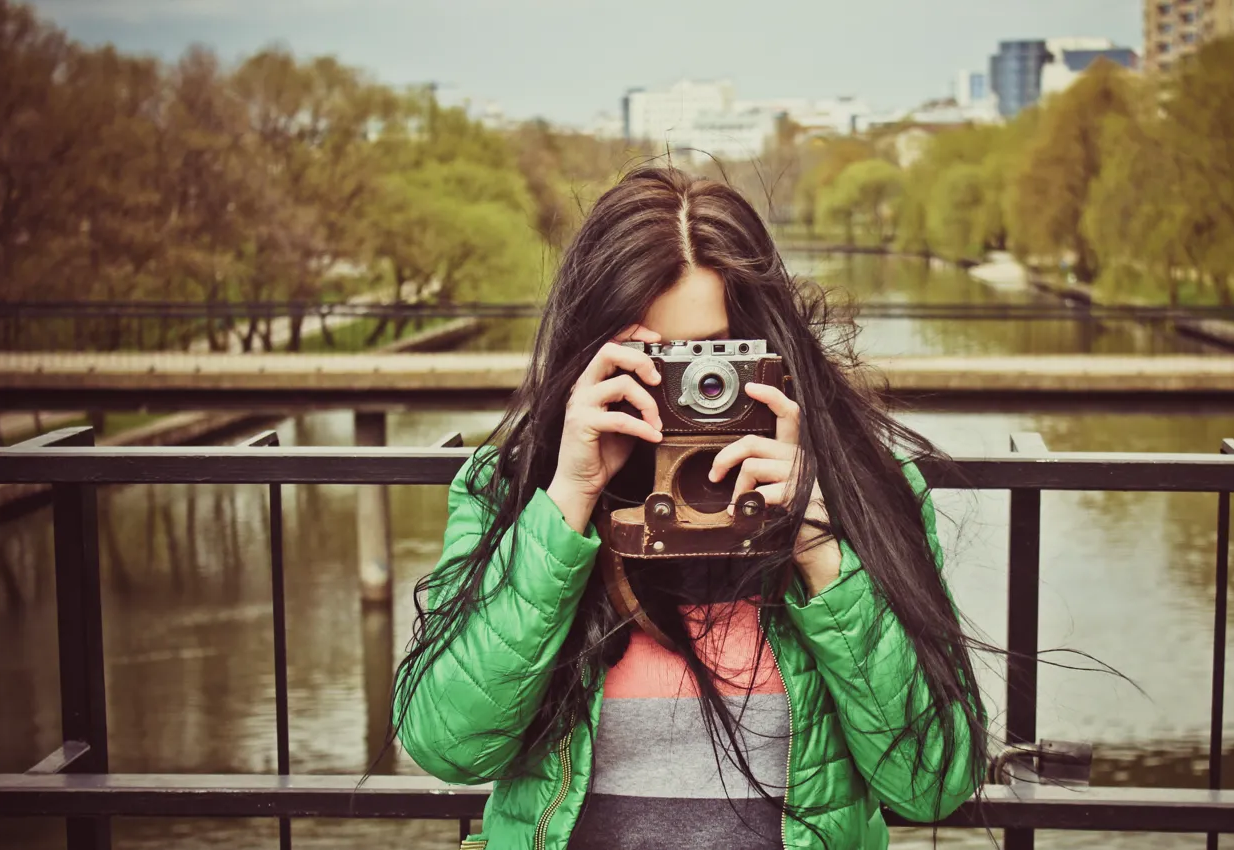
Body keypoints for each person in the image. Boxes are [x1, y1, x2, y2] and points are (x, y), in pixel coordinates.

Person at [391, 166, 989, 849]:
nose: (689, 392)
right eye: (650, 359)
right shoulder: (513, 493)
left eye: (715, 360)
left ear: (770, 352)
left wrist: (820, 548)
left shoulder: (863, 497)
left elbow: (933, 783)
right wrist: (567, 503)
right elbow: (448, 747)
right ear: (588, 350)